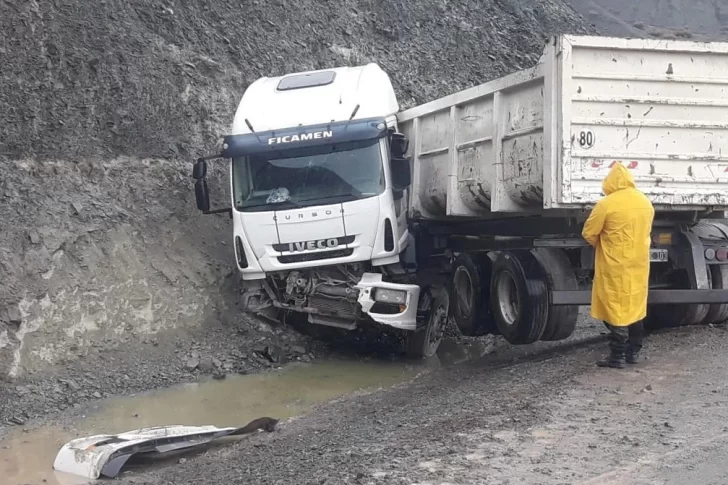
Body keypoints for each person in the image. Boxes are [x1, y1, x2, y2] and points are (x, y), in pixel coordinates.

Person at [582, 162, 655, 369]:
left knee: (614, 307)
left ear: (610, 181)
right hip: (639, 264)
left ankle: (617, 356)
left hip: (614, 264)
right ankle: (633, 351)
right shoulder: (645, 202)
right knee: (635, 307)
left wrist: (604, 245)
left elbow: (589, 233)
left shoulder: (607, 204)